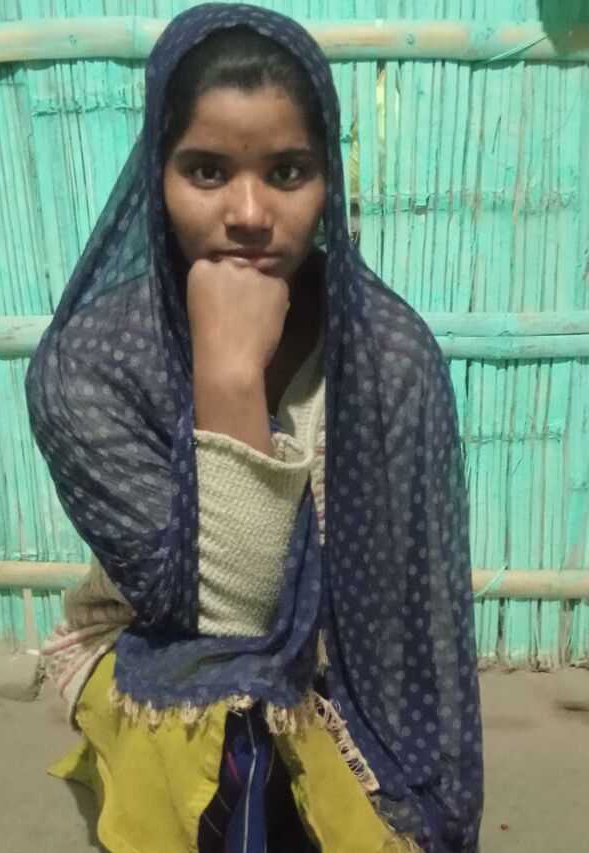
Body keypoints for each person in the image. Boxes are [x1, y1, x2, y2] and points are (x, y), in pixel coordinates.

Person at [26, 4, 483, 852]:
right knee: (235, 730)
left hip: (336, 656)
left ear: (328, 181)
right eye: (206, 170)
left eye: (287, 171)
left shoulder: (386, 356)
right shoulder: (93, 363)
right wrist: (230, 376)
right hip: (151, 641)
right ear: (156, 178)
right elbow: (223, 626)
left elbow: (414, 625)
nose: (248, 211)